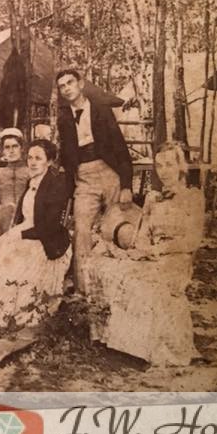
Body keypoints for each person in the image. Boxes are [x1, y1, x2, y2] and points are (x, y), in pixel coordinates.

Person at [86, 142, 204, 366]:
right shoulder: (152, 198)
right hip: (150, 256)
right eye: (159, 165)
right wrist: (138, 251)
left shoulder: (193, 197)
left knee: (141, 280)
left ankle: (145, 347)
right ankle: (115, 341)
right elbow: (142, 235)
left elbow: (192, 241)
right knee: (106, 267)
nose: (164, 171)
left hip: (176, 260)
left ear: (181, 166)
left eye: (170, 164)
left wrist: (154, 251)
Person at [0, 139, 72, 329]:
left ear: (50, 161)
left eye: (39, 158)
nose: (33, 162)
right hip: (23, 234)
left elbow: (50, 227)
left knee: (8, 265)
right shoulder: (31, 182)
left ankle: (2, 315)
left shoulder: (56, 185)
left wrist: (19, 236)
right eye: (30, 158)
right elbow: (21, 217)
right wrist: (11, 234)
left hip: (45, 242)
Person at [55, 68, 133, 294]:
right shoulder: (63, 117)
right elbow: (67, 156)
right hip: (84, 177)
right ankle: (84, 288)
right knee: (81, 229)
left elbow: (120, 148)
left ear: (81, 84)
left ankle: (121, 284)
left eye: (70, 82)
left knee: (117, 225)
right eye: (62, 86)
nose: (67, 88)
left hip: (109, 171)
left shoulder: (101, 110)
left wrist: (126, 185)